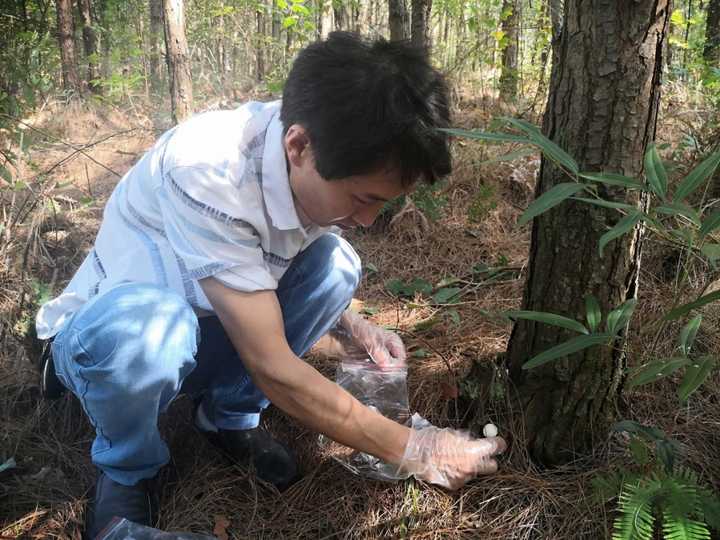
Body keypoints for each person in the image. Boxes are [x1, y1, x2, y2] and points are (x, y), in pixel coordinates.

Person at [35, 32, 507, 538]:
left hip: (204, 318)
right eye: (361, 198)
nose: (369, 220)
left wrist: (352, 327)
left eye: (381, 203)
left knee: (336, 266)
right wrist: (415, 449)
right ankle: (127, 468)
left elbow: (268, 263)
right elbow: (272, 365)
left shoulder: (320, 143)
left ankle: (226, 417)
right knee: (150, 330)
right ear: (298, 145)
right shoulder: (209, 171)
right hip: (112, 334)